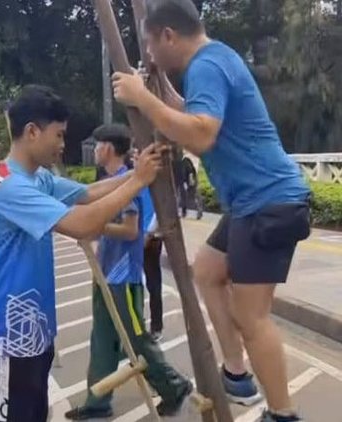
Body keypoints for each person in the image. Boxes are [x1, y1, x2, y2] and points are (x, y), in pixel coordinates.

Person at [111, 1, 311, 421]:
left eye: (150, 43)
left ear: (169, 36)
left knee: (251, 315)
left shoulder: (206, 65)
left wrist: (144, 98)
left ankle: (283, 413)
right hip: (251, 203)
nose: (149, 54)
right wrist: (157, 93)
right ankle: (236, 373)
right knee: (207, 269)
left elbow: (201, 135)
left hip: (268, 201)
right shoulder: (216, 59)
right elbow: (189, 114)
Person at [0, 85, 166, 422]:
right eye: (59, 135)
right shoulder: (9, 186)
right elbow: (82, 223)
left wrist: (136, 174)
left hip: (34, 331)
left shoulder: (36, 177)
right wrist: (136, 183)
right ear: (32, 131)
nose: (63, 145)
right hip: (6, 336)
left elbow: (87, 194)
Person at [65, 124, 191, 420]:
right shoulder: (112, 182)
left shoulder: (127, 183)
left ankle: (175, 386)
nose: (94, 150)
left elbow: (131, 230)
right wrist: (90, 230)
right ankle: (97, 403)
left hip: (125, 279)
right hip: (105, 276)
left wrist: (95, 226)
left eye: (97, 145)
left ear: (107, 148)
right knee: (102, 341)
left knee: (136, 338)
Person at [140, 188, 165, 342]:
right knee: (133, 284)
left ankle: (156, 327)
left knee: (154, 285)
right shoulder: (131, 178)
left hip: (151, 240)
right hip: (133, 235)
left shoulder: (156, 184)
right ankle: (137, 328)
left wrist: (149, 234)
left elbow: (161, 210)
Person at [172, 149, 203, 219]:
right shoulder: (181, 162)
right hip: (183, 181)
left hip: (186, 180)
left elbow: (190, 171)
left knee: (189, 195)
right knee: (181, 196)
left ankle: (195, 211)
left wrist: (191, 180)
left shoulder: (185, 161)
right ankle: (184, 212)